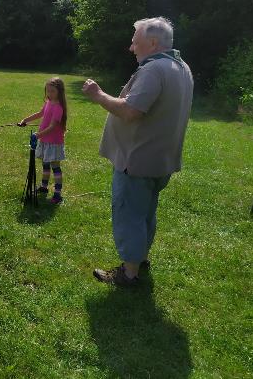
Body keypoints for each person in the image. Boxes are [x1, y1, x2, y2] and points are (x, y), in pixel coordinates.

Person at [82, 17, 193, 286]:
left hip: (137, 161)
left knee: (129, 213)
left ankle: (129, 273)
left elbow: (131, 111)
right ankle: (139, 259)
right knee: (145, 212)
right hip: (160, 159)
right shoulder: (181, 67)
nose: (131, 47)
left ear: (153, 43)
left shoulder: (154, 70)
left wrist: (98, 95)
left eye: (135, 41)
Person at [18, 77, 68, 204]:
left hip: (54, 142)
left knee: (55, 167)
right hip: (45, 140)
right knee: (45, 164)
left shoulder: (59, 108)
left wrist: (38, 135)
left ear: (59, 92)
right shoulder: (48, 102)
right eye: (48, 91)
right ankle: (44, 187)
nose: (49, 94)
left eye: (52, 91)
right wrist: (25, 120)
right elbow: (40, 113)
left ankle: (57, 194)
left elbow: (52, 127)